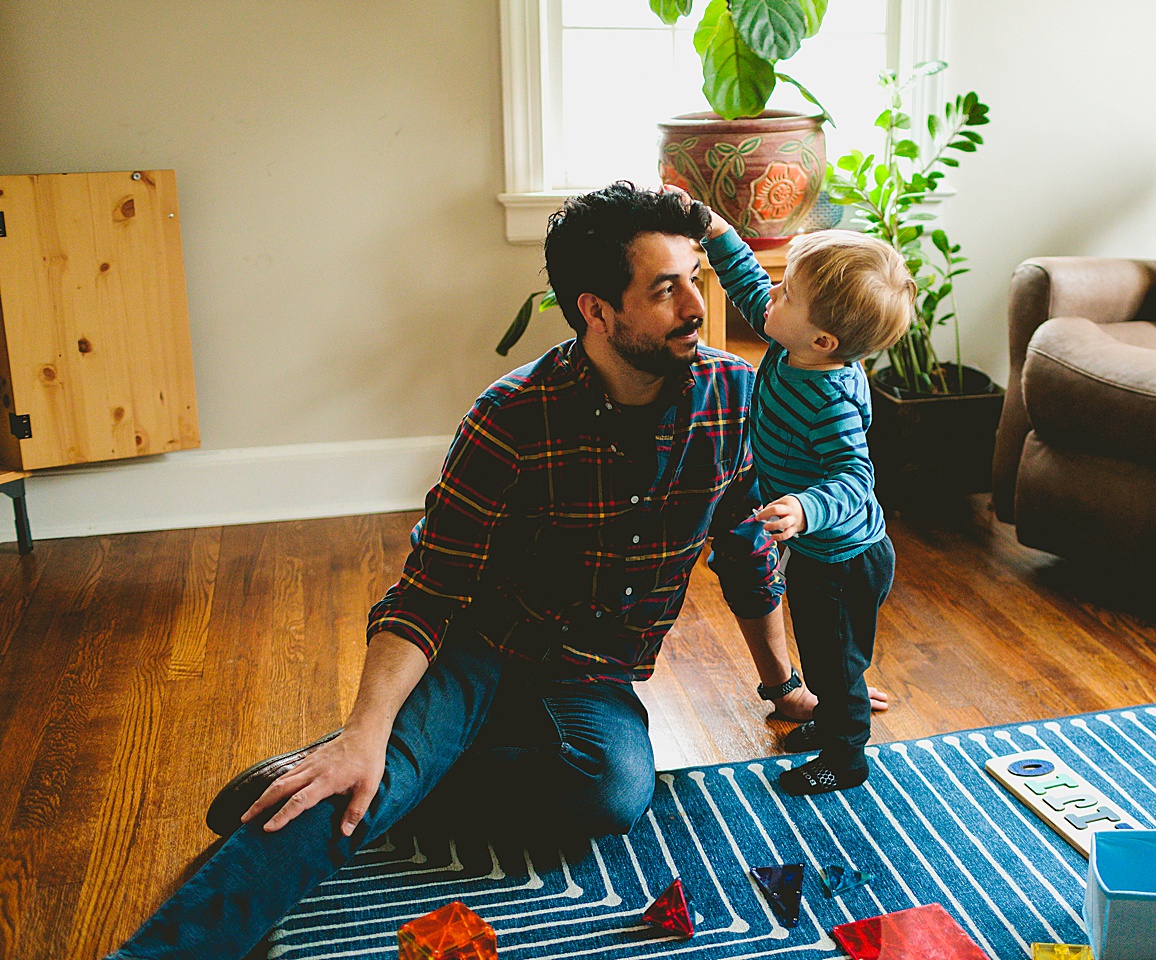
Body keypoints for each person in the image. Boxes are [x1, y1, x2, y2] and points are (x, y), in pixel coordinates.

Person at [106, 182, 886, 960]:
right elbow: (429, 589)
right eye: (665, 288)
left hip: (590, 674)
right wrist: (365, 732)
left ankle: (397, 769)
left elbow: (745, 554)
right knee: (367, 769)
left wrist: (783, 686)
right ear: (598, 310)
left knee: (612, 792)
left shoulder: (732, 400)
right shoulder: (509, 417)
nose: (695, 305)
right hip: (477, 646)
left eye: (694, 276)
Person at [695, 197, 914, 796]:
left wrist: (803, 507)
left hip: (844, 559)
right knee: (828, 656)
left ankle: (846, 756)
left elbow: (853, 481)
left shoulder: (830, 399)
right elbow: (746, 288)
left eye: (786, 293)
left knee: (832, 663)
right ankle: (832, 719)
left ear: (822, 338)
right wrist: (718, 233)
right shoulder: (791, 347)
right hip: (824, 552)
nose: (773, 296)